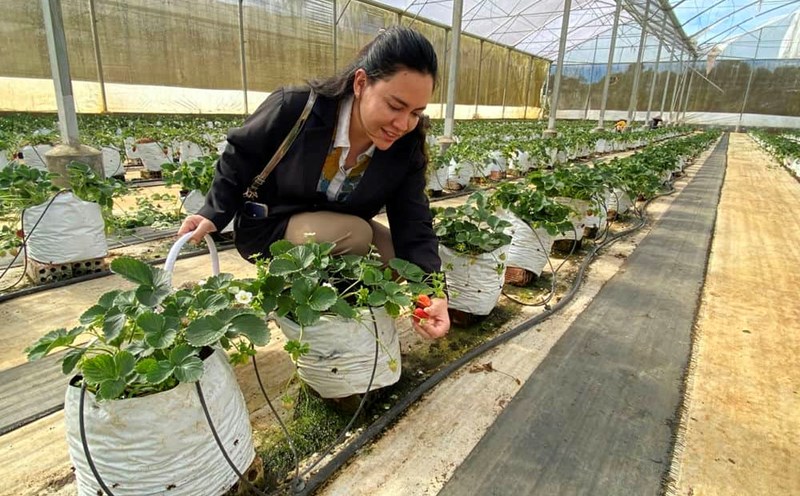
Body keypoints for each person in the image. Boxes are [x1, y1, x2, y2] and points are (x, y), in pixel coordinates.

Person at [178, 26, 450, 339]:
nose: (403, 124)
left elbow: (413, 220)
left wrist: (432, 292)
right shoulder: (296, 108)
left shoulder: (405, 147)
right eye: (395, 106)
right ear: (361, 83)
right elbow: (240, 154)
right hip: (272, 227)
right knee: (357, 234)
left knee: (398, 258)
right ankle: (304, 306)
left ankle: (335, 311)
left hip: (333, 230)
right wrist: (214, 212)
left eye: (416, 112)